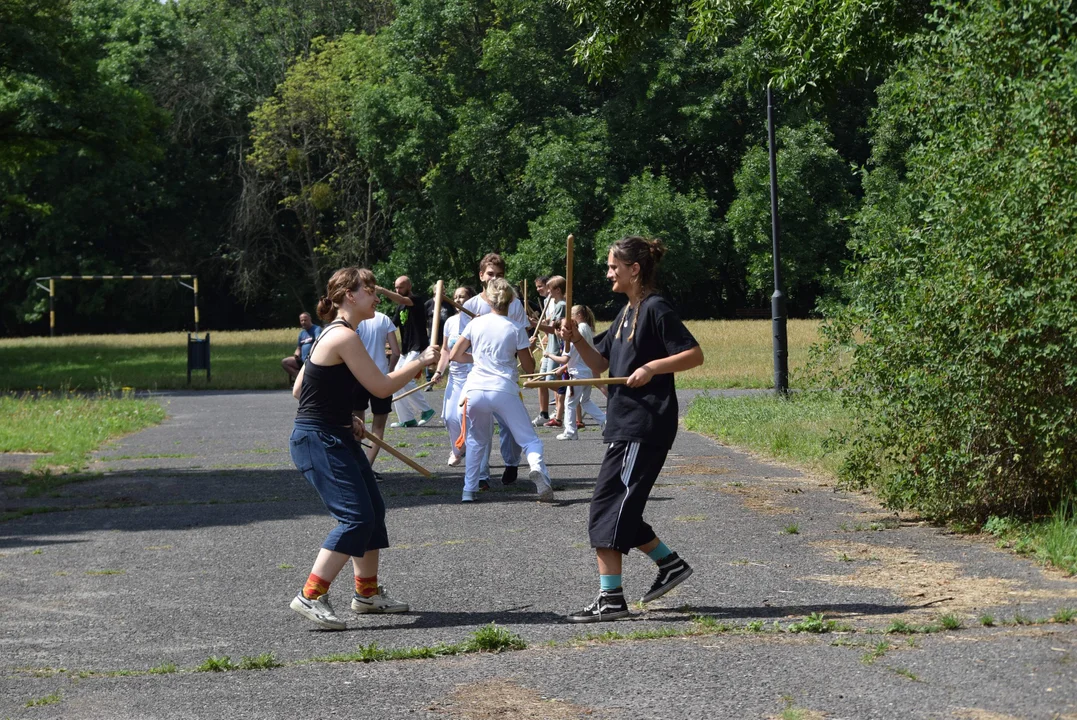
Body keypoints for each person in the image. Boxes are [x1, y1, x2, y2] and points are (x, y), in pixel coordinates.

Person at [558, 236, 704, 623]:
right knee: (620, 506)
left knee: (607, 506)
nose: (608, 273)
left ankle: (612, 600)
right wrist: (575, 341)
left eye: (613, 267)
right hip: (623, 423)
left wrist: (653, 367)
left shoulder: (655, 308)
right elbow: (599, 364)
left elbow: (694, 354)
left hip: (644, 424)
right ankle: (669, 564)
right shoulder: (626, 312)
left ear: (634, 269)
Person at [288, 267, 440, 630]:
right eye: (368, 290)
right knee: (356, 518)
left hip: (335, 433)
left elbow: (299, 389)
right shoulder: (342, 336)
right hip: (319, 440)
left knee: (372, 509)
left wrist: (344, 415)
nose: (375, 296)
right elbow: (382, 388)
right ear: (349, 296)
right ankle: (310, 594)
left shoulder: (336, 334)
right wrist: (421, 362)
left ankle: (367, 594)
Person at [450, 277, 554, 503]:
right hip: (503, 388)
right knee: (529, 440)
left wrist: (477, 357)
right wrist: (528, 347)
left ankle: (469, 490)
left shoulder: (475, 323)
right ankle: (537, 468)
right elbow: (529, 367)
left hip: (475, 389)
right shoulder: (516, 328)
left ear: (488, 299)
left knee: (476, 441)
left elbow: (454, 355)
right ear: (512, 301)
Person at [459, 253, 528, 486]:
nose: (494, 279)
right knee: (480, 428)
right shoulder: (470, 306)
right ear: (481, 276)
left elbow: (520, 340)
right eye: (490, 274)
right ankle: (482, 475)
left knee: (510, 424)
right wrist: (479, 357)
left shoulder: (514, 303)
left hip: (506, 376)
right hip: (478, 376)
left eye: (499, 275)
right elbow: (459, 347)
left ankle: (511, 462)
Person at [377, 276, 436, 428]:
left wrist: (383, 291)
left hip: (419, 348)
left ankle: (426, 410)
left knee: (406, 378)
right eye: (396, 287)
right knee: (395, 380)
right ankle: (407, 418)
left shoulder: (415, 300)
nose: (398, 291)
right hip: (406, 350)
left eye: (401, 287)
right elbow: (391, 325)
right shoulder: (399, 308)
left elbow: (403, 300)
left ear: (409, 286)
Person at [546, 304, 606, 441]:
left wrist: (550, 355)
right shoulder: (584, 330)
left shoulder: (578, 333)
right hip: (585, 370)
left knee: (570, 402)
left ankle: (570, 431)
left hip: (578, 372)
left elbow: (568, 355)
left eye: (571, 315)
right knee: (585, 401)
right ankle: (606, 421)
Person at [430, 286, 475, 467]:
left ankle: (472, 454)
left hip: (473, 375)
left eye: (462, 296)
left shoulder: (476, 321)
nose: (458, 300)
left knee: (465, 415)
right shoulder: (450, 322)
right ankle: (457, 449)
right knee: (449, 417)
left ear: (470, 299)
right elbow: (445, 351)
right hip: (455, 376)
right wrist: (439, 371)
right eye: (456, 297)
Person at [354, 307, 400, 480]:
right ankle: (367, 467)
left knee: (356, 423)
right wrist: (390, 372)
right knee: (378, 428)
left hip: (357, 377)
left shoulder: (355, 319)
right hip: (380, 377)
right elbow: (396, 352)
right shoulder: (383, 319)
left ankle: (357, 466)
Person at [531, 276, 567, 428]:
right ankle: (545, 413)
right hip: (550, 347)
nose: (547, 291)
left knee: (552, 381)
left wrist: (534, 325)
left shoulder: (562, 305)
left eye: (549, 289)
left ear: (557, 290)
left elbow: (554, 329)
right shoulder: (555, 303)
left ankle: (571, 398)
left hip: (556, 348)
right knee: (541, 380)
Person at [281, 312, 321, 384]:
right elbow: (299, 347)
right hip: (302, 360)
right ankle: (300, 379)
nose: (303, 322)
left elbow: (318, 341)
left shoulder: (316, 329)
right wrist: (296, 354)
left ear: (310, 319)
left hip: (312, 359)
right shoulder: (302, 333)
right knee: (285, 362)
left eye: (305, 320)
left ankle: (306, 380)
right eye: (301, 320)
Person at [423, 288, 451, 387]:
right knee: (431, 358)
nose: (442, 294)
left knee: (448, 356)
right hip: (433, 336)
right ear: (435, 292)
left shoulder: (449, 304)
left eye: (444, 292)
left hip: (446, 336)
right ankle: (429, 382)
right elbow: (423, 319)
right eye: (440, 292)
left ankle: (447, 379)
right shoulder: (429, 304)